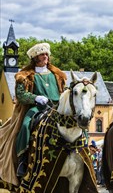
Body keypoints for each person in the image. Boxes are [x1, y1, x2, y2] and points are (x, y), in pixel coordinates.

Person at [0, 43, 67, 185]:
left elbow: (64, 91)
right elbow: (21, 95)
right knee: (25, 125)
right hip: (37, 108)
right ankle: (22, 160)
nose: (46, 57)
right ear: (35, 57)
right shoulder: (24, 75)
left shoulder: (58, 74)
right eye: (42, 54)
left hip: (56, 107)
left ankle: (81, 151)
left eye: (47, 54)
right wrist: (35, 98)